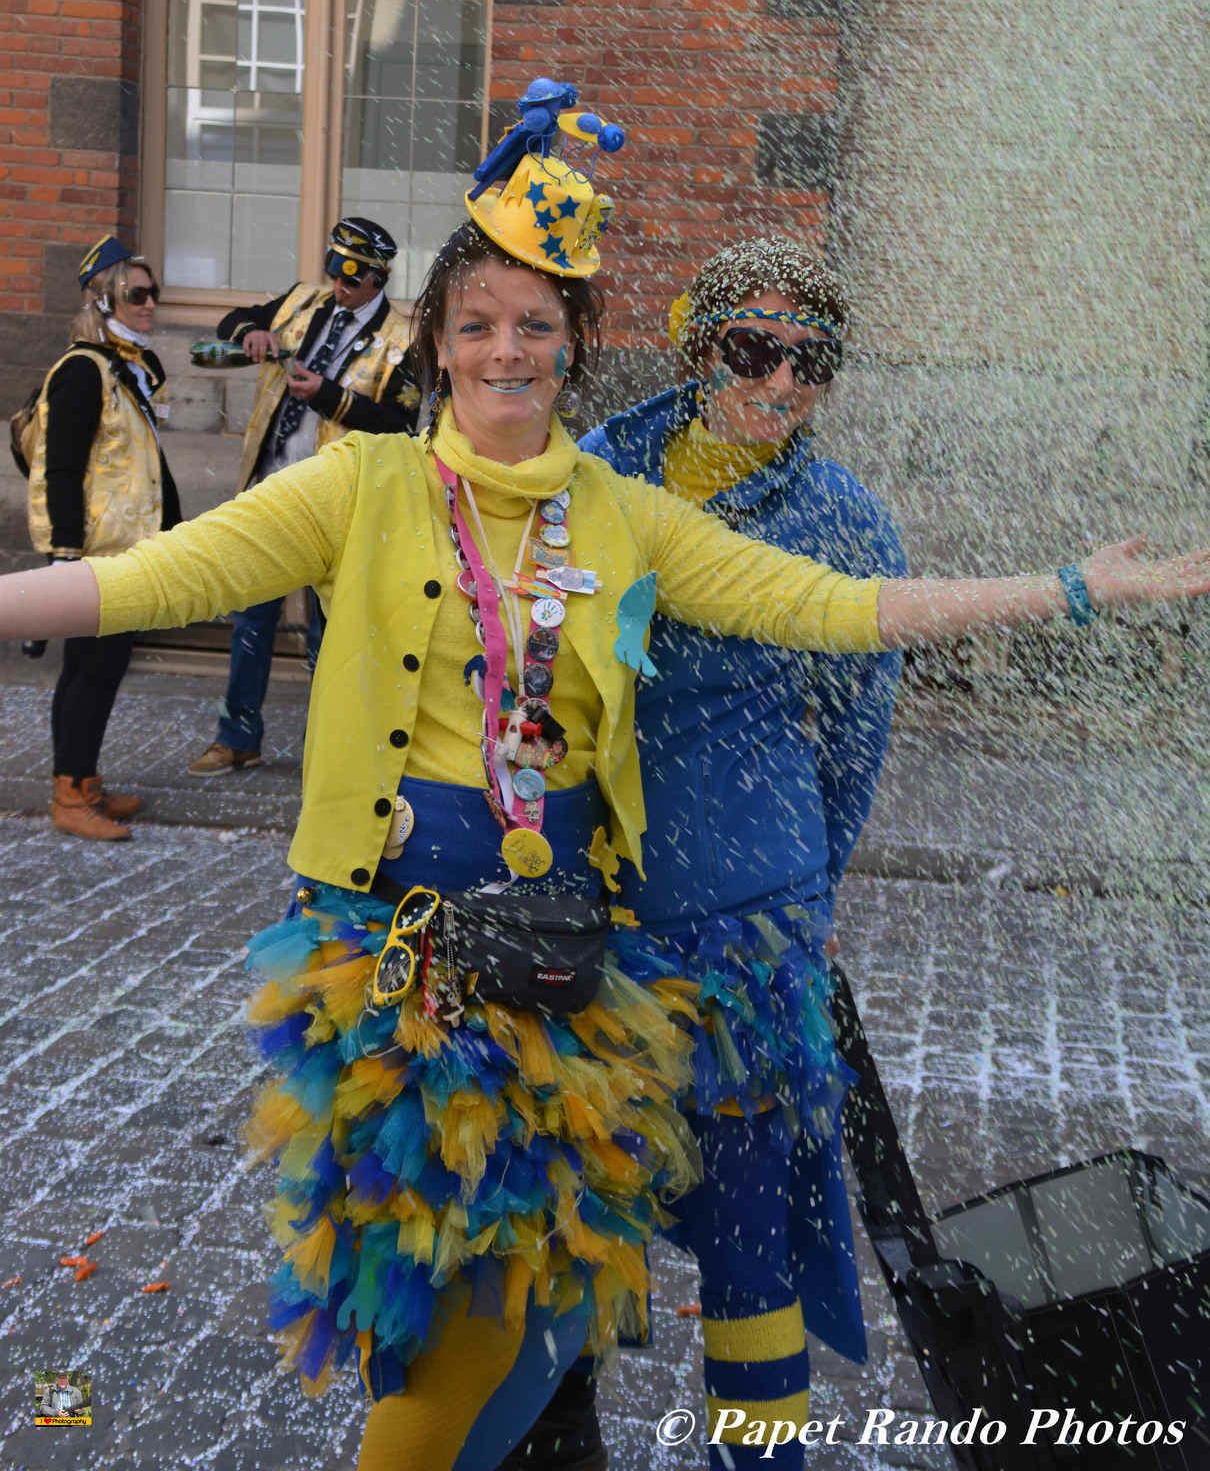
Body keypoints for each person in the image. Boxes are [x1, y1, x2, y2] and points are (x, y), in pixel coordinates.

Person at [1, 82, 1207, 1471]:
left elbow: (840, 616)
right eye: (476, 325)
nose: (505, 351)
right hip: (421, 961)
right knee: (445, 1309)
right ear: (440, 344)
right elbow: (146, 576)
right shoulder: (389, 486)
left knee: (604, 1283)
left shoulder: (654, 513)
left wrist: (1060, 591)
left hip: (628, 956)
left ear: (574, 348)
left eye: (536, 327)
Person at [537, 240, 904, 1470]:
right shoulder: (592, 474)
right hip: (587, 912)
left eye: (814, 360)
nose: (783, 379)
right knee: (564, 1221)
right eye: (755, 349)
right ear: (701, 351)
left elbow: (856, 731)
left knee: (753, 1238)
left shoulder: (842, 517)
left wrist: (809, 888)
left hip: (746, 917)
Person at [187, 216, 420, 778]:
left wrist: (331, 399)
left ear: (380, 277)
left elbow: (402, 425)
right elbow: (230, 319)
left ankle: (330, 751)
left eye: (355, 277)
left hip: (338, 506)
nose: (340, 286)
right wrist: (251, 333)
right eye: (334, 271)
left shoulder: (404, 340)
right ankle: (237, 737)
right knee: (251, 622)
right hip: (271, 491)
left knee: (330, 637)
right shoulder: (300, 302)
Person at [25, 236, 181, 842]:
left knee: (104, 670)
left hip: (129, 552)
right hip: (91, 557)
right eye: (138, 294)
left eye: (153, 293)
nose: (150, 304)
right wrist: (64, 557)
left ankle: (85, 780)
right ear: (106, 297)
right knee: (86, 673)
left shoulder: (128, 369)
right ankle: (68, 791)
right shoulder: (81, 371)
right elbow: (59, 469)